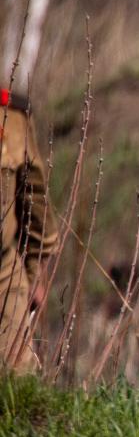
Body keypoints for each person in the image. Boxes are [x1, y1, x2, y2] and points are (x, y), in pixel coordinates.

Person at [0, 89, 59, 373]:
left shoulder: (11, 117)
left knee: (16, 384)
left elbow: (34, 198)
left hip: (3, 277)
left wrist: (35, 274)